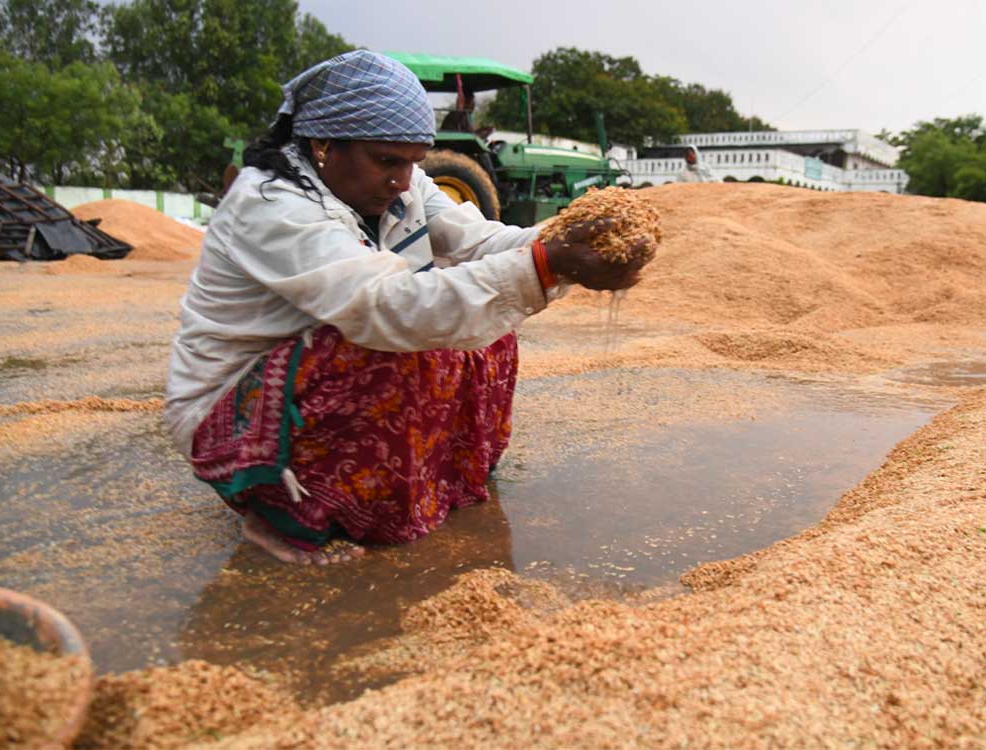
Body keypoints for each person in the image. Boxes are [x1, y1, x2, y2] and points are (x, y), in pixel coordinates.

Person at [165, 51, 652, 566]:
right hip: (234, 406)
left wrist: (570, 244)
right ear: (324, 144)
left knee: (487, 329)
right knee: (394, 345)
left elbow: (481, 243)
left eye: (413, 162)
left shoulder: (406, 181)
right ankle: (278, 510)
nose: (403, 180)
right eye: (387, 162)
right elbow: (385, 307)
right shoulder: (270, 204)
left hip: (312, 367)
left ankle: (425, 485)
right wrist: (545, 264)